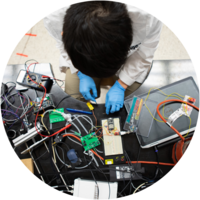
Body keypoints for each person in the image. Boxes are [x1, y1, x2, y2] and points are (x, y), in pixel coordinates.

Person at [44, 1, 162, 114]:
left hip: (132, 60)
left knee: (135, 102)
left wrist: (122, 85)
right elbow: (62, 44)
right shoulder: (54, 17)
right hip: (81, 62)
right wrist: (81, 73)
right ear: (63, 33)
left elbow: (145, 52)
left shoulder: (147, 16)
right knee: (72, 97)